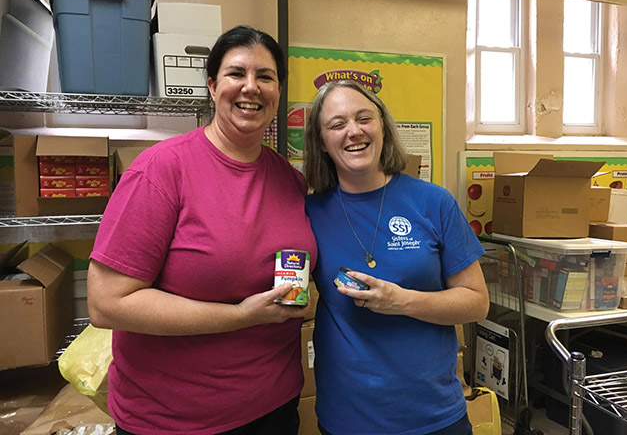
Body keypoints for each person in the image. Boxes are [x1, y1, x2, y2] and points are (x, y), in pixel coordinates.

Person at [87, 26, 317, 435]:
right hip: (173, 421)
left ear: (279, 91)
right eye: (236, 74)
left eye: (265, 76)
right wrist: (239, 316)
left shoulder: (289, 179)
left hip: (274, 408)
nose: (252, 87)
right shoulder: (160, 171)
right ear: (212, 86)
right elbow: (106, 304)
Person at [304, 79, 489, 435]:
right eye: (337, 124)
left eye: (364, 118)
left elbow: (477, 303)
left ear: (383, 127)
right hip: (348, 418)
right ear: (322, 142)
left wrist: (400, 301)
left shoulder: (433, 202)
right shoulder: (308, 212)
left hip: (434, 415)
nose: (353, 132)